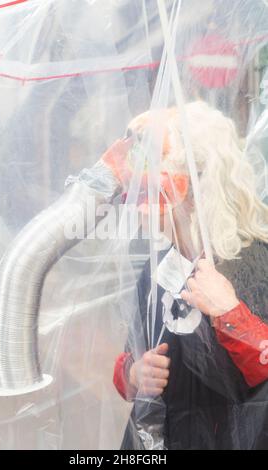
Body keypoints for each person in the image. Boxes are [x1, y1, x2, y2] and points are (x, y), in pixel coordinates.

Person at [112, 101, 268, 450]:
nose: (139, 198)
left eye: (155, 184)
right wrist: (135, 375)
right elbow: (130, 358)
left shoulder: (257, 265)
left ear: (198, 186)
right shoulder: (156, 270)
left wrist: (232, 316)